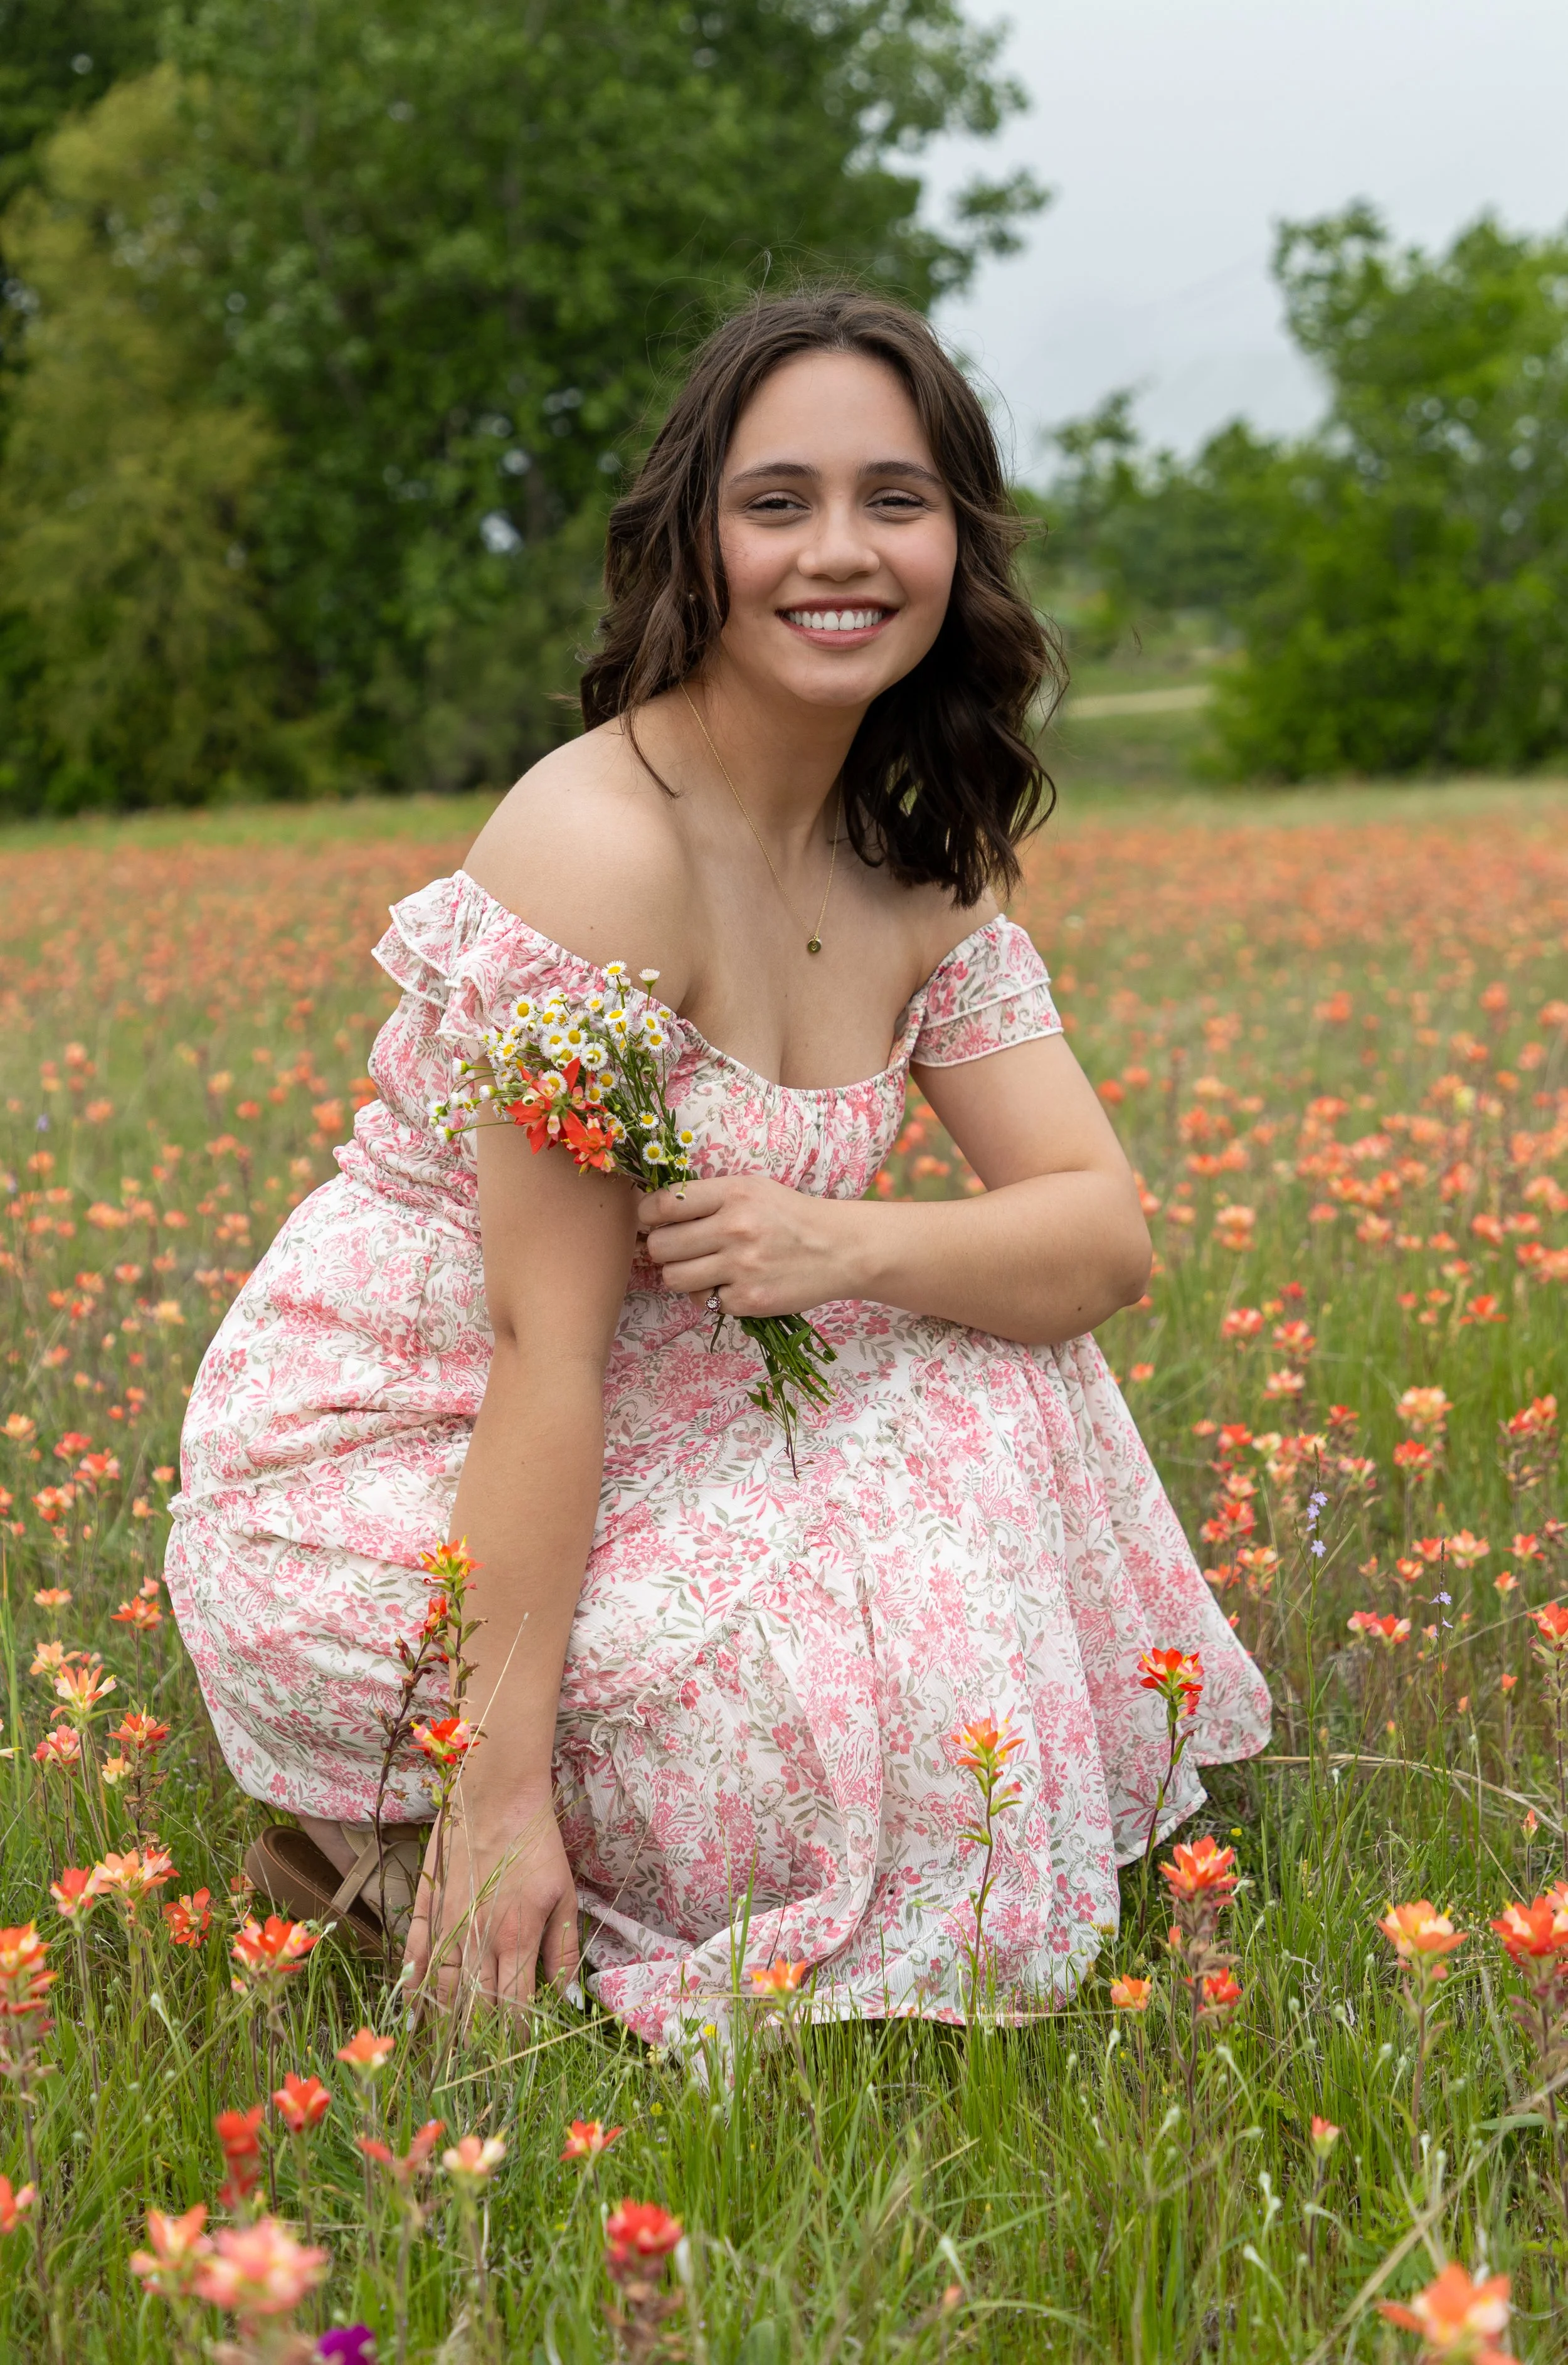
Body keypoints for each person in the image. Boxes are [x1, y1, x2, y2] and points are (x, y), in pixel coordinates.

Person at [166, 289, 1270, 2041]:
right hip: (419, 1453)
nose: (839, 553)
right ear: (697, 538)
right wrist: (493, 1790)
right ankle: (414, 1838)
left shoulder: (917, 867)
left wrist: (841, 1244)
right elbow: (540, 1344)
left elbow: (1098, 1240)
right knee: (819, 1674)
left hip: (666, 1408)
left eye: (893, 502)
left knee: (1003, 1395)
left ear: (957, 545)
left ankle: (612, 1848)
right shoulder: (597, 845)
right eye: (779, 503)